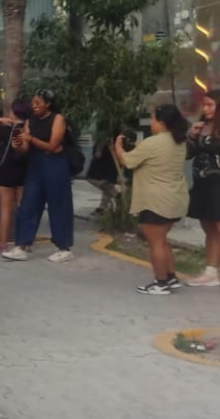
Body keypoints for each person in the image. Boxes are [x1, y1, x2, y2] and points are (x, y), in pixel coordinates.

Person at [114, 104, 190, 294]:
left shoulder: (153, 143)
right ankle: (171, 277)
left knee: (155, 243)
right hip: (174, 198)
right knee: (163, 240)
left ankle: (160, 282)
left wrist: (118, 147)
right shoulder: (179, 142)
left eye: (154, 120)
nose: (152, 124)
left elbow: (128, 161)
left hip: (155, 200)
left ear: (162, 123)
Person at [4, 89, 74, 263]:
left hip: (55, 166)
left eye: (38, 103)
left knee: (58, 206)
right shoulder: (30, 122)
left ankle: (63, 247)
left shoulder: (58, 119)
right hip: (35, 166)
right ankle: (22, 245)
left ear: (48, 104)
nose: (34, 106)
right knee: (28, 205)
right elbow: (25, 149)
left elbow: (52, 146)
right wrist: (18, 145)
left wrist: (30, 138)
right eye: (32, 103)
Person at [0, 99, 30, 254]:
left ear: (13, 113)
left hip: (5, 171)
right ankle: (24, 243)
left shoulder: (6, 129)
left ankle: (2, 244)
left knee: (5, 208)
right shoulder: (28, 130)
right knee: (23, 207)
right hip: (23, 171)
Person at [186, 89, 220, 287]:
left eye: (210, 105)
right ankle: (210, 271)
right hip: (201, 182)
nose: (206, 109)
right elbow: (187, 155)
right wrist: (192, 135)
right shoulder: (201, 127)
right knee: (208, 228)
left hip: (217, 182)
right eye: (204, 105)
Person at [86, 136, 121, 216]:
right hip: (102, 166)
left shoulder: (112, 139)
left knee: (107, 185)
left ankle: (102, 208)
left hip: (108, 165)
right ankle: (116, 196)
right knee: (107, 185)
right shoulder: (102, 137)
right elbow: (97, 154)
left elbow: (98, 154)